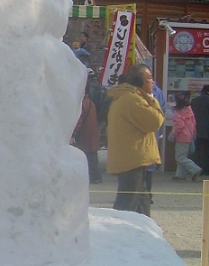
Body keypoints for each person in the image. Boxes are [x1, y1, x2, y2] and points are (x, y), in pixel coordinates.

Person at [106, 63, 164, 217]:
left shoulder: (129, 97)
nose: (152, 82)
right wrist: (152, 99)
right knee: (127, 204)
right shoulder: (132, 99)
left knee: (141, 201)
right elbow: (155, 121)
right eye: (149, 78)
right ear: (139, 82)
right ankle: (119, 232)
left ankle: (144, 232)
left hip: (133, 156)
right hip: (132, 157)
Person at [71, 76, 102, 183]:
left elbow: (79, 120)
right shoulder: (90, 102)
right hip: (92, 134)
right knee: (92, 157)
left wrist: (73, 134)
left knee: (88, 158)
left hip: (85, 136)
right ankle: (96, 177)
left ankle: (94, 177)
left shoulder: (82, 103)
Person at [144, 78, 167, 205]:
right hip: (153, 133)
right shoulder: (158, 93)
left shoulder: (154, 93)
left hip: (151, 133)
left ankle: (146, 193)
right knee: (147, 166)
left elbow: (160, 113)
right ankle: (146, 193)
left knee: (147, 166)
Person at [171, 93, 202, 181]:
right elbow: (194, 123)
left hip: (181, 138)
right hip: (189, 136)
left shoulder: (178, 114)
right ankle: (180, 175)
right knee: (182, 156)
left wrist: (172, 135)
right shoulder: (189, 111)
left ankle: (195, 169)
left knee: (180, 157)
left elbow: (178, 126)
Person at [190, 85, 209, 175]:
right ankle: (206, 170)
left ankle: (197, 170)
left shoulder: (194, 101)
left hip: (195, 129)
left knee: (196, 151)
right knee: (207, 151)